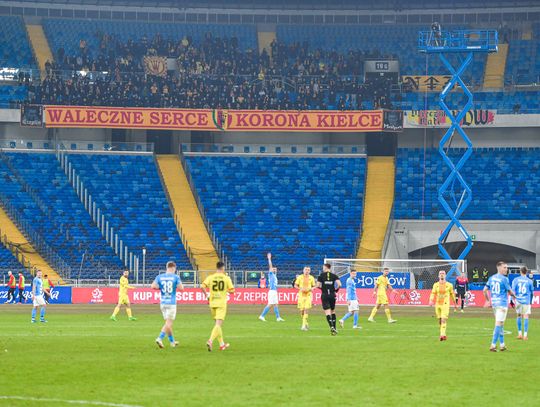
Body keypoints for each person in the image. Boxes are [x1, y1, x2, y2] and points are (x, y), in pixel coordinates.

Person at [201, 261, 235, 351]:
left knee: (217, 325)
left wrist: (207, 296)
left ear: (216, 268)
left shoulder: (211, 277)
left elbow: (202, 286)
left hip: (212, 303)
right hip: (221, 303)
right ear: (223, 268)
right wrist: (226, 290)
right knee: (218, 324)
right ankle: (210, 341)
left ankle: (222, 344)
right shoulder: (226, 278)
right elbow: (232, 291)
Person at [483, 261, 517, 352]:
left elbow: (485, 290)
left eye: (506, 267)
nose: (506, 269)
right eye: (504, 267)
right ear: (499, 268)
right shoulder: (504, 279)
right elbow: (510, 291)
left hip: (494, 304)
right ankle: (493, 345)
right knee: (498, 324)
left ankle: (502, 345)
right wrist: (515, 296)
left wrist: (487, 300)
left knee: (501, 324)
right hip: (502, 304)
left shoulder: (491, 278)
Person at [151, 261, 184, 348]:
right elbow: (181, 288)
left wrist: (161, 288)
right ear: (173, 268)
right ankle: (159, 338)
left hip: (163, 303)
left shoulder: (160, 276)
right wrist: (174, 286)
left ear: (167, 267)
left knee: (168, 323)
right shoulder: (175, 277)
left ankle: (172, 342)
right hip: (171, 303)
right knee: (169, 323)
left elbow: (153, 286)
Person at [429, 270, 457, 341]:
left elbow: (452, 294)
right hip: (438, 305)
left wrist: (455, 303)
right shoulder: (435, 285)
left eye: (443, 274)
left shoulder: (449, 285)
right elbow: (433, 293)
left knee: (443, 320)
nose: (442, 275)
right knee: (440, 320)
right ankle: (443, 334)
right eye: (440, 274)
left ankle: (442, 335)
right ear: (438, 276)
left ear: (445, 275)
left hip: (445, 304)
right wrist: (431, 300)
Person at [258, 253, 285, 322]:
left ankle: (278, 317)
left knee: (276, 304)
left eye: (275, 269)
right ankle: (262, 316)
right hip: (272, 291)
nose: (274, 269)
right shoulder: (270, 274)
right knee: (270, 304)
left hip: (274, 291)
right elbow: (270, 266)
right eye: (273, 269)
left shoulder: (274, 275)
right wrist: (269, 259)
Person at [317, 263, 341, 336]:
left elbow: (318, 285)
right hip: (332, 295)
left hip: (325, 295)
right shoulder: (334, 275)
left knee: (327, 312)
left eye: (323, 267)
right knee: (333, 311)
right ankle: (335, 327)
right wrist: (335, 290)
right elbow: (340, 284)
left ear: (325, 267)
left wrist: (322, 289)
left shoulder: (321, 275)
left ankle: (331, 327)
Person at [512, 266, 534, 340]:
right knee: (526, 317)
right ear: (526, 272)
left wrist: (513, 300)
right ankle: (525, 335)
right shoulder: (529, 281)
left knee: (518, 316)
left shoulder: (516, 280)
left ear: (520, 271)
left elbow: (513, 291)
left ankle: (519, 334)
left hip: (518, 301)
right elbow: (532, 292)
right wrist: (530, 301)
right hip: (526, 301)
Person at [294, 267, 316, 331]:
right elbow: (295, 285)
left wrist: (312, 288)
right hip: (301, 296)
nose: (307, 271)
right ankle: (306, 323)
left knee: (306, 309)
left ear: (310, 271)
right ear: (303, 270)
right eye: (306, 270)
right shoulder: (300, 277)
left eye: (308, 270)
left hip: (308, 295)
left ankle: (303, 326)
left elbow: (314, 286)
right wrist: (300, 289)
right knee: (302, 311)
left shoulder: (311, 278)